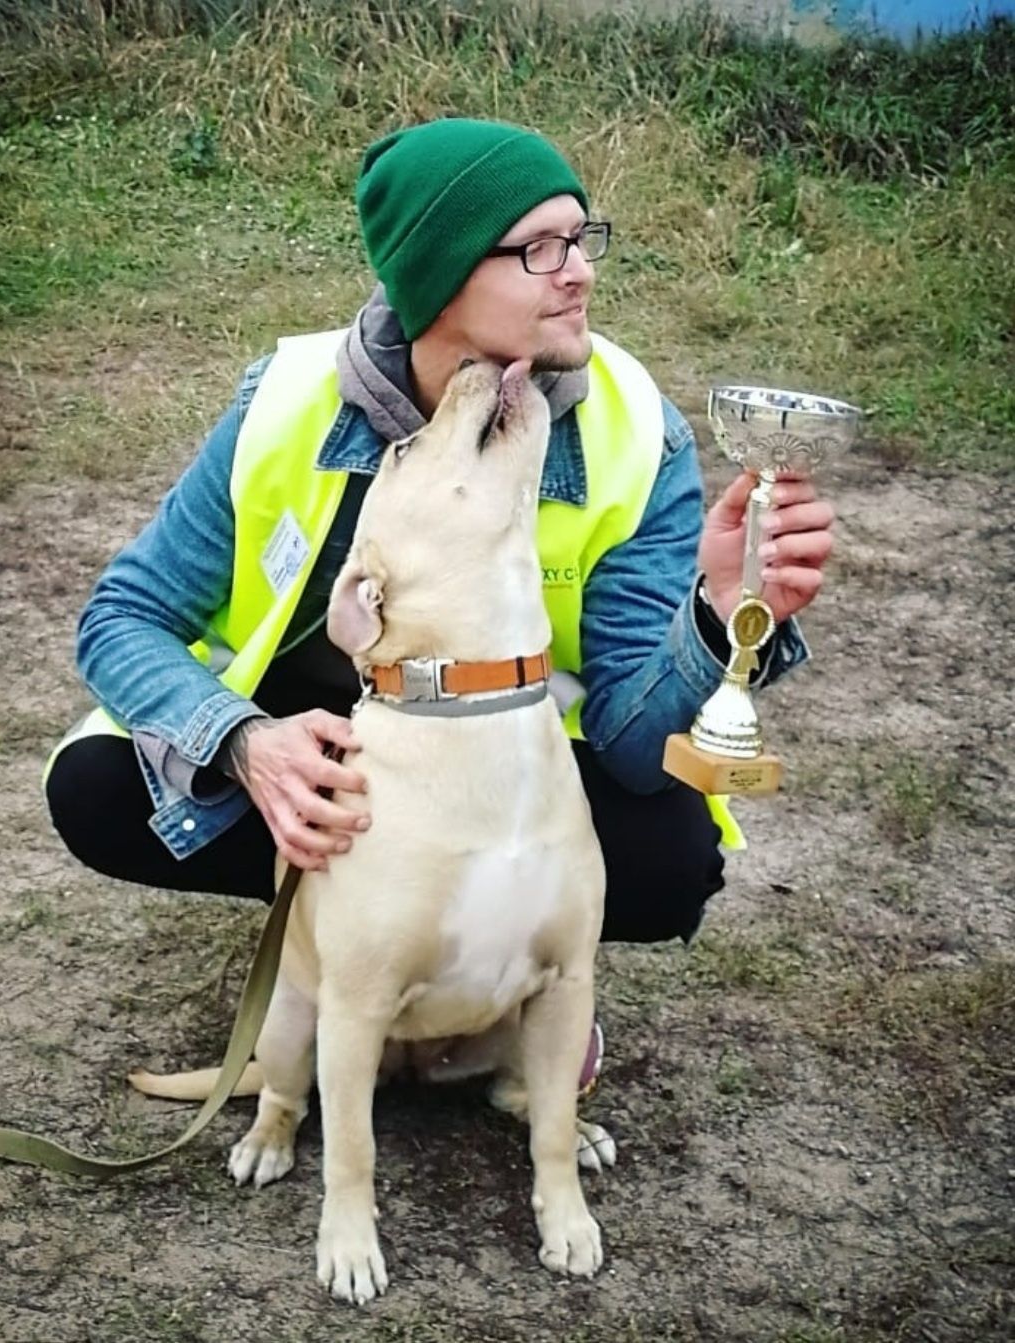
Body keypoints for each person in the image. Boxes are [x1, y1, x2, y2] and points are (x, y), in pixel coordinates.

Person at [45, 119, 832, 1010]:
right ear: (439, 276)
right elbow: (121, 616)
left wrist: (717, 615)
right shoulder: (286, 403)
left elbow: (636, 749)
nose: (581, 272)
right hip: (333, 745)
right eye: (538, 248)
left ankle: (506, 982)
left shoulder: (638, 432)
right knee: (101, 790)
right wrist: (244, 742)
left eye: (580, 239)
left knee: (667, 851)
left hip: (509, 762)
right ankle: (347, 951)